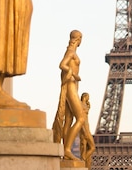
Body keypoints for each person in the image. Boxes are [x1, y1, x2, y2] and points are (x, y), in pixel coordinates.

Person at [52, 30, 85, 160]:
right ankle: (66, 149)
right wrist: (74, 74)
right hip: (71, 86)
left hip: (73, 87)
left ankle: (66, 150)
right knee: (81, 118)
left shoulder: (72, 52)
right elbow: (62, 65)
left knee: (68, 120)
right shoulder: (71, 52)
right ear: (79, 39)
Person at [80, 92, 96, 169]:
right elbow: (80, 119)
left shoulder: (85, 105)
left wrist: (88, 107)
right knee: (84, 147)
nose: (89, 98)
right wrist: (83, 130)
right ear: (85, 96)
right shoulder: (80, 105)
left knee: (91, 147)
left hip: (87, 128)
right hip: (84, 129)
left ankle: (83, 160)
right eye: (88, 96)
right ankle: (82, 161)